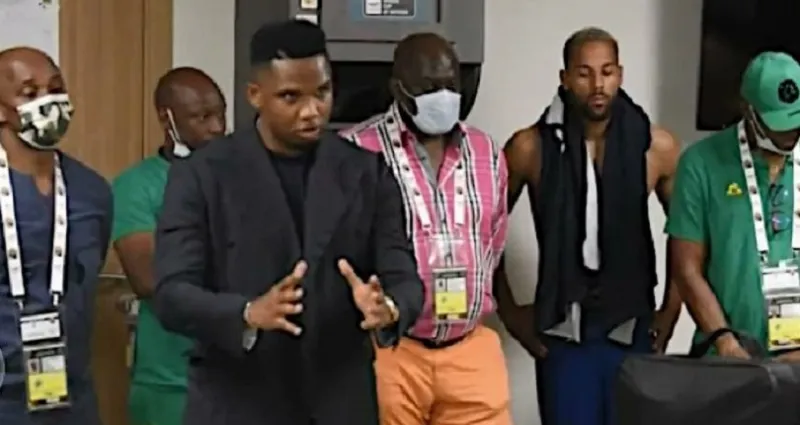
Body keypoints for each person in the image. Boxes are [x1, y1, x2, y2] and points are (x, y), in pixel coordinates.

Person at [150, 20, 424, 425]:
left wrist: (389, 307)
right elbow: (172, 295)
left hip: (339, 405)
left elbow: (405, 278)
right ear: (255, 95)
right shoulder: (202, 176)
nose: (312, 111)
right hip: (239, 404)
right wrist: (246, 313)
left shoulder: (367, 173)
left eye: (323, 92)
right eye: (291, 97)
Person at [495, 28, 682, 425]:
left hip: (631, 324)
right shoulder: (529, 147)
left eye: (607, 72)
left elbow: (688, 235)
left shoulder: (656, 146)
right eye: (584, 73)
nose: (598, 84)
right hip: (564, 328)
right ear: (564, 78)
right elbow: (483, 231)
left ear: (620, 75)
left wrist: (670, 311)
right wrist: (509, 312)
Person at [340, 32, 511, 425]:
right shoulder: (355, 151)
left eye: (451, 84)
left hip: (470, 348)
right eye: (429, 87)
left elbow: (494, 240)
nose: (443, 96)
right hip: (392, 350)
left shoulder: (486, 151)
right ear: (398, 88)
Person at [0, 47, 112, 425]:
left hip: (69, 392)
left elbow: (90, 273)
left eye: (56, 89)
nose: (48, 102)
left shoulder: (92, 191)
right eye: (29, 93)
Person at [111, 67, 226, 425]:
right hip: (169, 381)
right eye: (202, 117)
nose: (217, 127)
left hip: (238, 378)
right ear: (167, 118)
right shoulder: (137, 185)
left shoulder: (244, 179)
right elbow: (150, 279)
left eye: (220, 114)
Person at [667, 51, 800, 361]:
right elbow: (687, 268)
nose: (790, 133)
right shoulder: (700, 164)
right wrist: (725, 342)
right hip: (727, 359)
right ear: (747, 110)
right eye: (778, 124)